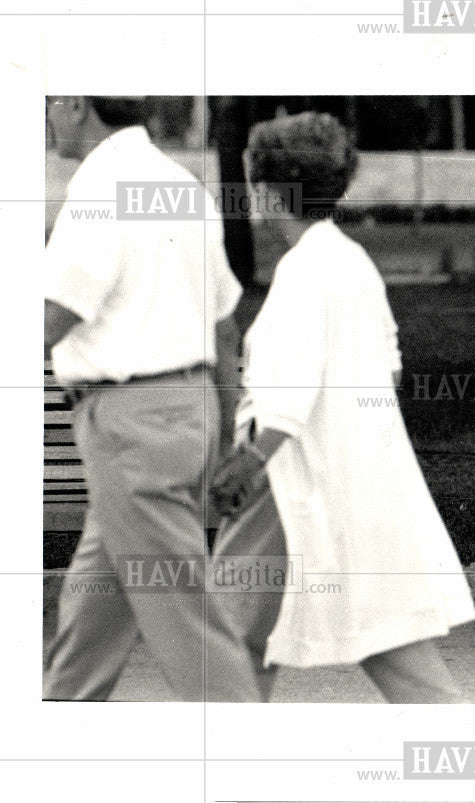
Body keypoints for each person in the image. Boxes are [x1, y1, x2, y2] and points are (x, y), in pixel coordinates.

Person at [209, 112, 475, 703]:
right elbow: (391, 365)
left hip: (285, 480)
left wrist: (239, 470)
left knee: (225, 638)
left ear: (267, 192)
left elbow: (285, 402)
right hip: (348, 477)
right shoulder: (351, 261)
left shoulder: (303, 271)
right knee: (379, 636)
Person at [43, 96, 265, 701]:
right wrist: (218, 430)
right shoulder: (180, 184)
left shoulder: (100, 187)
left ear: (75, 106)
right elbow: (224, 324)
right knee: (98, 600)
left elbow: (52, 314)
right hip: (184, 414)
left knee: (182, 615)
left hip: (129, 426)